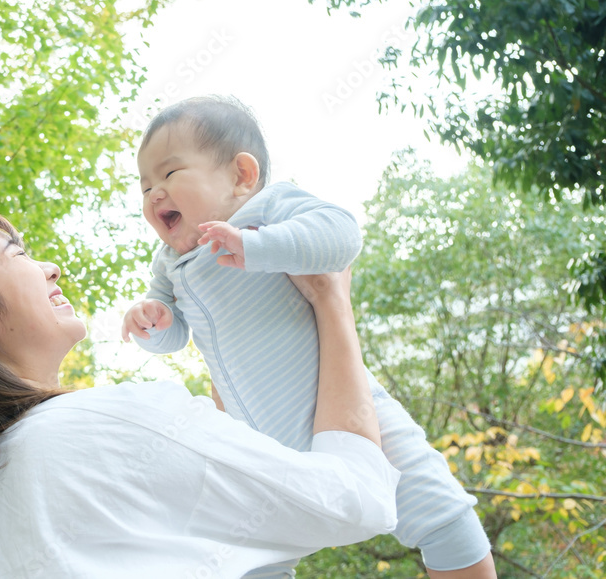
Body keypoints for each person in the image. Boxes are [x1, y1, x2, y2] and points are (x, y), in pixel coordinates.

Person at [0, 206, 400, 579]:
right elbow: (353, 498)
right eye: (16, 252)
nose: (49, 269)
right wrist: (331, 301)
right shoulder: (100, 427)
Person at [121, 95, 497, 579]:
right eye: (146, 184)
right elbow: (171, 333)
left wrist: (257, 246)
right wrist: (153, 323)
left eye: (170, 175)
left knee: (435, 505)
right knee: (243, 556)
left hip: (350, 410)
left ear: (241, 175)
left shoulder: (268, 210)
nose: (154, 194)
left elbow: (341, 235)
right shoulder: (170, 264)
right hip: (259, 443)